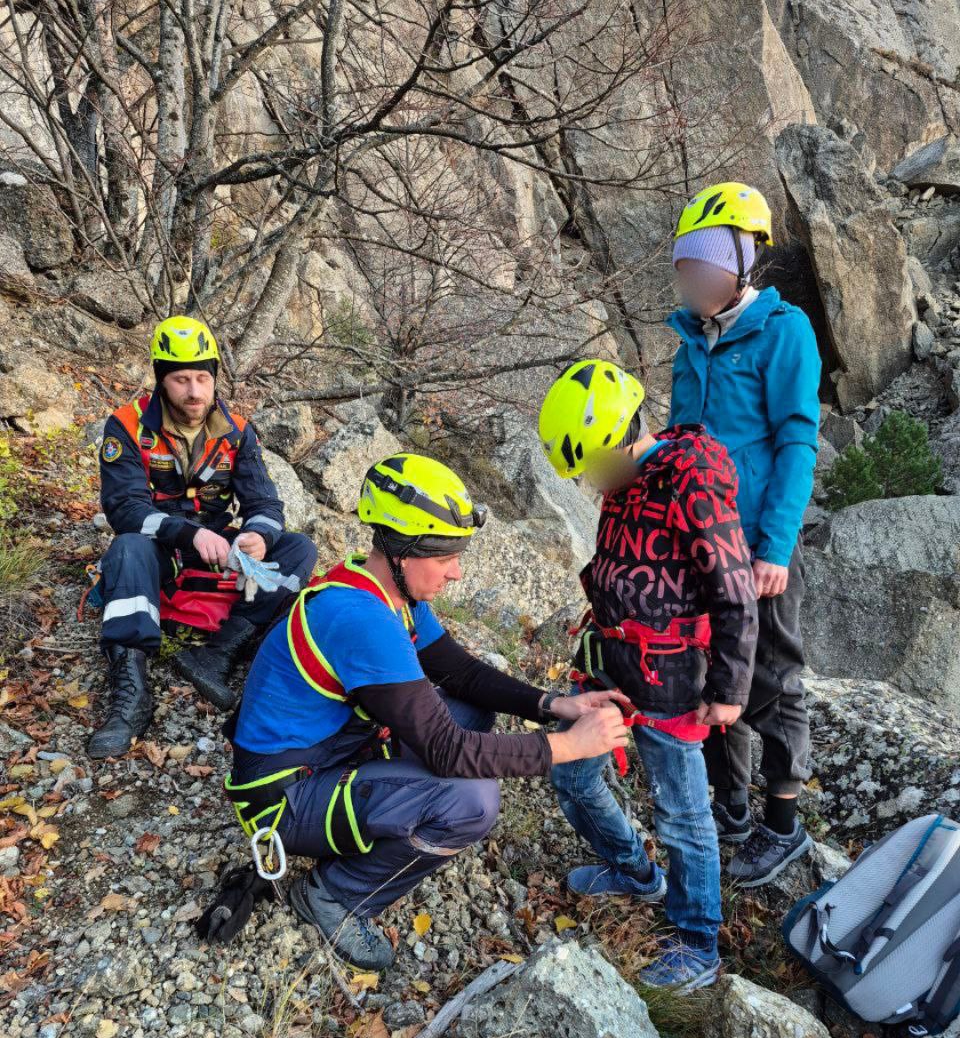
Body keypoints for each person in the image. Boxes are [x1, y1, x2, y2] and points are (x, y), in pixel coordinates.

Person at [219, 452, 629, 970]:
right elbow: (446, 749)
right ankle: (334, 895)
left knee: (468, 710)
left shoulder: (384, 591)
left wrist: (551, 703)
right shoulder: (361, 617)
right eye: (445, 559)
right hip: (280, 799)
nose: (456, 573)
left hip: (328, 751)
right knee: (472, 802)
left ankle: (381, 825)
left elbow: (460, 672)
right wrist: (570, 745)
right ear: (404, 553)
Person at [539, 359, 758, 989]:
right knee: (573, 772)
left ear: (622, 440)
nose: (592, 484)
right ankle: (634, 871)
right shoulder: (623, 481)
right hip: (613, 664)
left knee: (682, 812)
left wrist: (729, 689)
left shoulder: (691, 481)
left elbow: (735, 591)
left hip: (674, 682)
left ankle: (697, 938)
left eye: (593, 468)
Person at [667, 181, 821, 887]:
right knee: (711, 674)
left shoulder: (783, 331)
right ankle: (727, 810)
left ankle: (781, 824)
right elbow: (679, 443)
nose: (691, 275)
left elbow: (796, 442)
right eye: (683, 262)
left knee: (774, 683)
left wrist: (776, 548)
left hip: (755, 546)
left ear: (742, 259)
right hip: (700, 547)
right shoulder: (688, 342)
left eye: (703, 261)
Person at [87, 315, 317, 759]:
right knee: (127, 548)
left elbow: (266, 505)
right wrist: (185, 533)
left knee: (299, 548)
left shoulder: (237, 430)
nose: (194, 391)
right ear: (161, 380)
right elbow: (125, 509)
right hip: (161, 548)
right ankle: (130, 695)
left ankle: (217, 653)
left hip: (216, 546)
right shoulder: (127, 426)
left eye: (202, 378)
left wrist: (258, 537)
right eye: (180, 379)